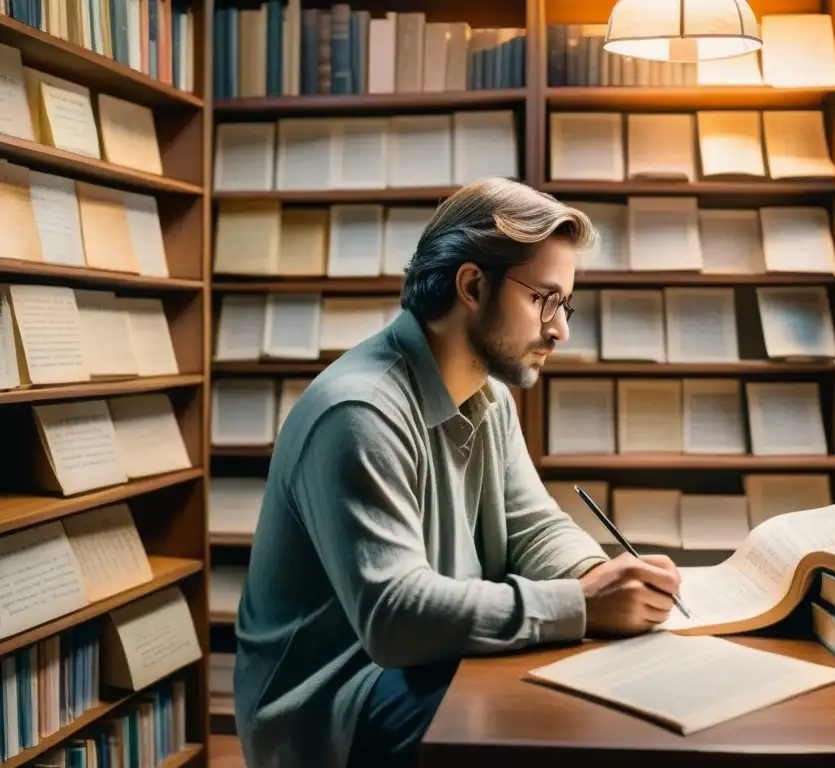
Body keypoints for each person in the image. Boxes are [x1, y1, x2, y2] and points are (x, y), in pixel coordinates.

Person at [232, 178, 683, 768]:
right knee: (541, 723)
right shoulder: (359, 412)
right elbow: (394, 618)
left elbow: (534, 528)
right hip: (336, 702)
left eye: (564, 304)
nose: (560, 329)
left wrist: (603, 577)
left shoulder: (489, 397)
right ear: (472, 285)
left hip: (427, 661)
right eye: (544, 300)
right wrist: (582, 603)